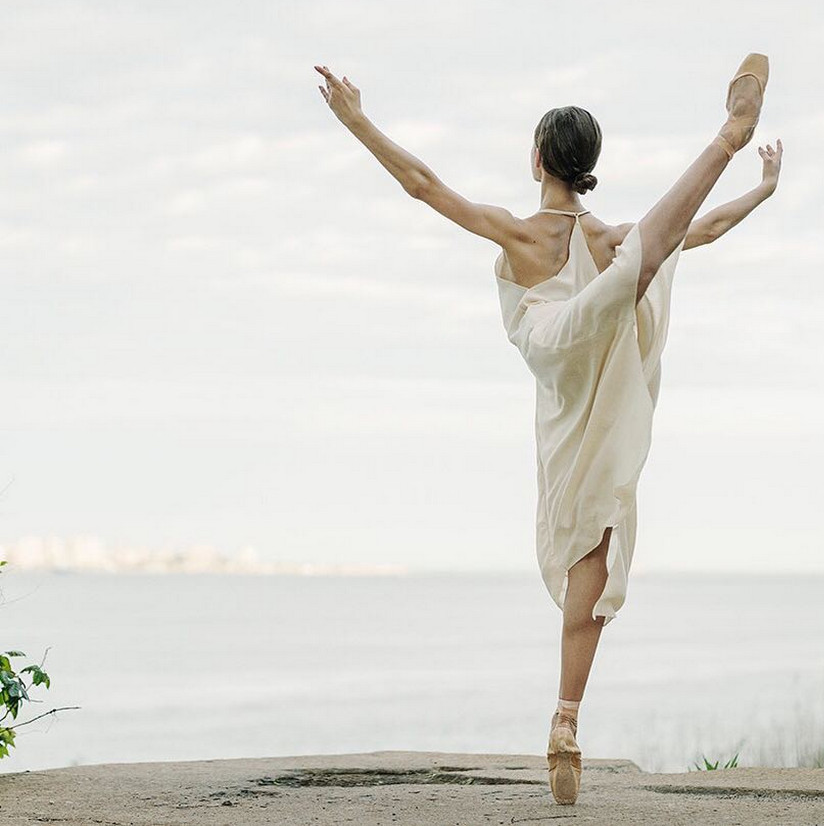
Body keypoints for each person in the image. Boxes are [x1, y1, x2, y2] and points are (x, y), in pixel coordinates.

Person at [315, 54, 781, 805]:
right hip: (597, 344)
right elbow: (705, 228)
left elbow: (423, 186)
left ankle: (565, 727)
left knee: (582, 537)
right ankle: (724, 142)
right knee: (646, 254)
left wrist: (357, 119)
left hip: (561, 356)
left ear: (538, 159)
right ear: (588, 166)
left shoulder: (519, 235)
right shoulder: (607, 237)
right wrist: (761, 189)